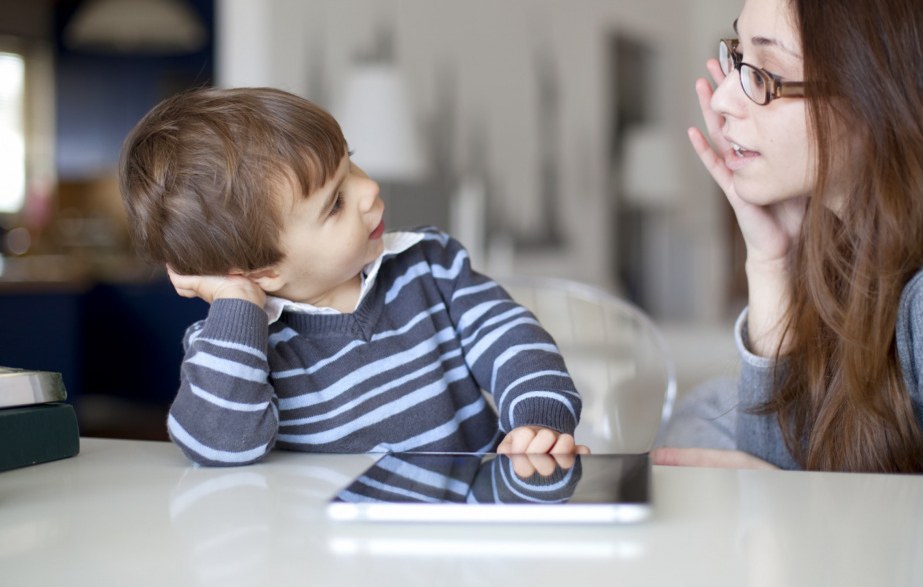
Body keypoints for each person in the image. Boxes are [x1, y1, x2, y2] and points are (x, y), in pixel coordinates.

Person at [654, 0, 923, 477]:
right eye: (737, 58)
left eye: (764, 73)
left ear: (884, 98)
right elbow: (779, 468)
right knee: (700, 413)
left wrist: (794, 505)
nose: (724, 99)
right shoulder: (861, 250)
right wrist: (772, 259)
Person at [119, 87, 585, 466]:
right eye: (335, 203)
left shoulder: (430, 265)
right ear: (265, 271)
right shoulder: (237, 347)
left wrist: (537, 418)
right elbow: (218, 445)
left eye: (351, 162)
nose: (369, 189)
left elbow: (512, 338)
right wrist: (240, 302)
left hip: (465, 529)